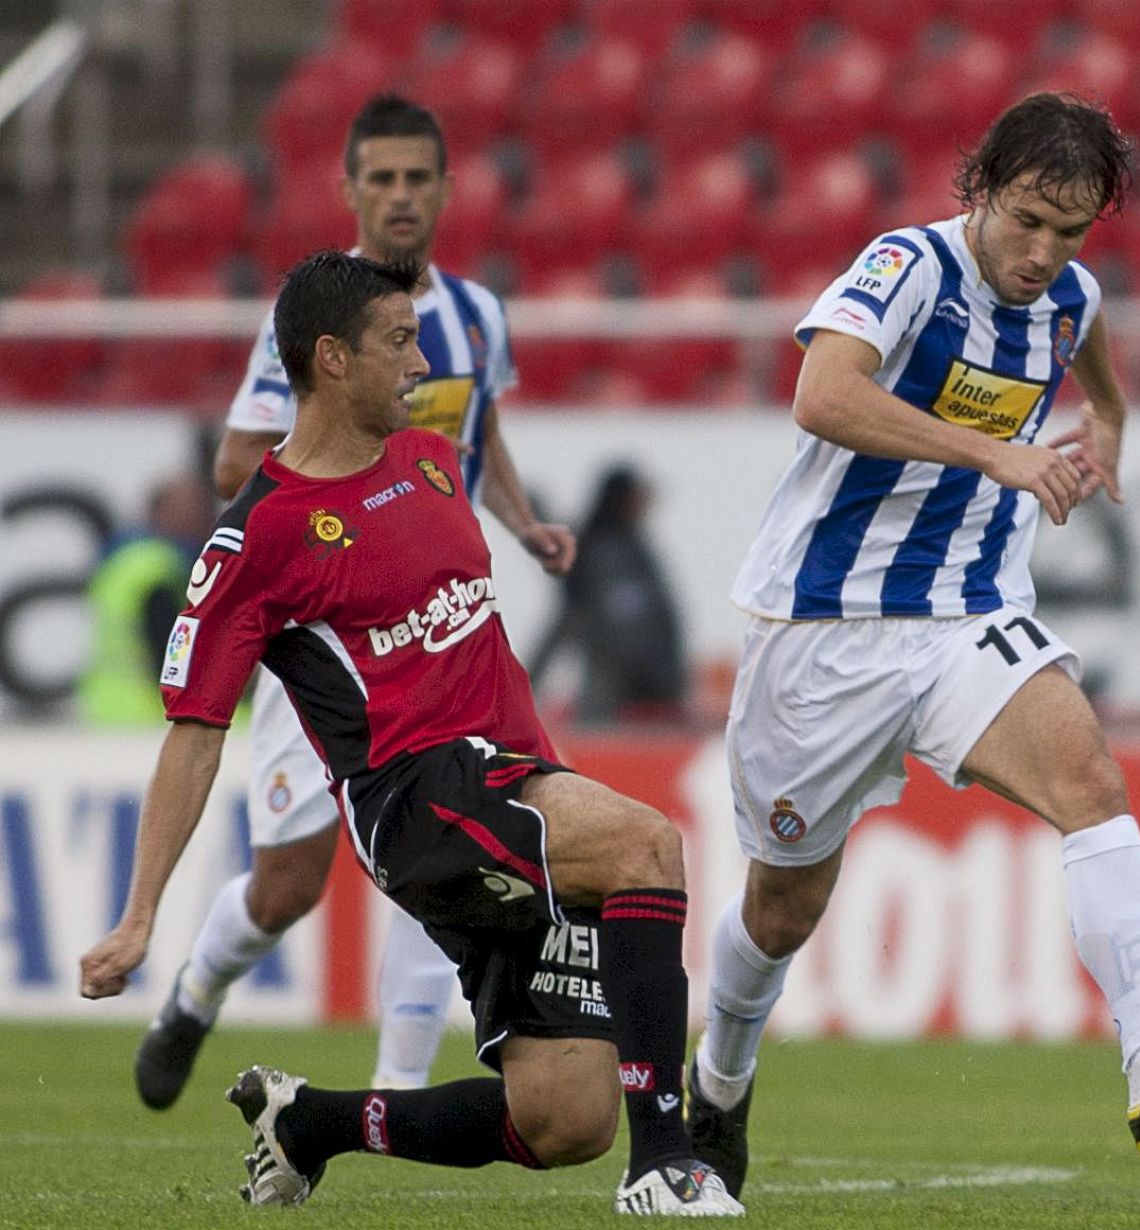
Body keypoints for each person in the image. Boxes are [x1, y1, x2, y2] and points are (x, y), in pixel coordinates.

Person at [685, 93, 1140, 1195]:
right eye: (1027, 222)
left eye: (1070, 232)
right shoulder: (908, 265)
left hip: (966, 615)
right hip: (821, 630)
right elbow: (821, 394)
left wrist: (1109, 419)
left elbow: (1089, 343)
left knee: (1090, 783)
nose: (1043, 253)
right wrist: (994, 452)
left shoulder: (1070, 296)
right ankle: (718, 1085)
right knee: (782, 909)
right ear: (982, 191)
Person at [79, 251, 743, 1216]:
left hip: (508, 778)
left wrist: (524, 523)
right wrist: (140, 914)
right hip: (417, 800)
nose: (421, 364)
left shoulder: (430, 461)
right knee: (646, 846)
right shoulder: (257, 537)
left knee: (565, 1120)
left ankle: (311, 1124)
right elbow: (194, 732)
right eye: (398, 342)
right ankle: (667, 1166)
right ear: (332, 359)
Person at [132, 94, 576, 1111]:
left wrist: (521, 521)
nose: (401, 195)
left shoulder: (477, 316)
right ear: (351, 189)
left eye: (418, 177)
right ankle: (195, 994)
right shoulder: (315, 321)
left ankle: (396, 1088)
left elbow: (482, 434)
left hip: (431, 624)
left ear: (446, 189)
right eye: (382, 178)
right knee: (287, 885)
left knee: (447, 849)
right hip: (330, 630)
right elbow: (239, 462)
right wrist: (353, 484)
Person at [528, 465, 688, 724]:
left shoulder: (630, 549)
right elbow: (574, 619)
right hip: (614, 691)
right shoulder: (603, 554)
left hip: (654, 691)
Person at [78, 472, 213, 725]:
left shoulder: (125, 559)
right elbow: (170, 655)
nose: (198, 518)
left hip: (112, 709)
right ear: (159, 513)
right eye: (185, 510)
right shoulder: (159, 569)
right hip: (150, 715)